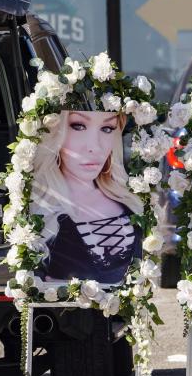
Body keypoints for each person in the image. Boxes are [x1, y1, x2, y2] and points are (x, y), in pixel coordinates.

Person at [32, 110, 142, 284]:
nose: (95, 147)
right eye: (78, 126)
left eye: (107, 128)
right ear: (55, 131)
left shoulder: (129, 200)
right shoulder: (39, 208)